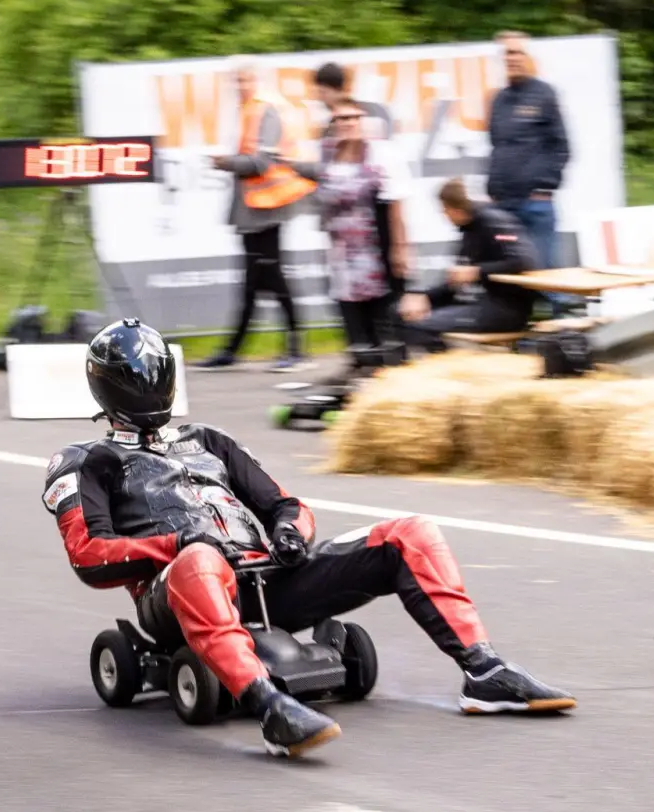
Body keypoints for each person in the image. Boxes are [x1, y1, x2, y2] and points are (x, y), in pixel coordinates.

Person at [43, 319, 575, 757]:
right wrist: (179, 546)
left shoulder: (208, 441)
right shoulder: (85, 461)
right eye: (139, 378)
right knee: (203, 558)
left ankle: (484, 672)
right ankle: (270, 707)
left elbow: (286, 505)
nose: (150, 386)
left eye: (155, 375)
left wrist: (291, 535)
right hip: (176, 590)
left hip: (269, 581)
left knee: (411, 532)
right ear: (111, 384)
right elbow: (89, 556)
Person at [199, 57, 315, 374]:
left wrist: (225, 163)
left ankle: (288, 348)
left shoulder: (265, 108)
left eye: (245, 80)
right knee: (255, 282)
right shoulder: (252, 108)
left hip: (267, 207)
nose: (240, 86)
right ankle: (234, 350)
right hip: (253, 208)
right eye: (236, 81)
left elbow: (261, 163)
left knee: (271, 278)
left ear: (257, 80)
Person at [285, 96, 412, 373]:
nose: (350, 123)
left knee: (385, 323)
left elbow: (396, 204)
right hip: (342, 256)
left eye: (355, 117)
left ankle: (391, 373)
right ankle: (362, 370)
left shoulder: (380, 154)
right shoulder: (327, 156)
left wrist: (401, 248)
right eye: (343, 118)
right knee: (354, 326)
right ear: (333, 124)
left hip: (376, 254)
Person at [398, 177, 544, 353]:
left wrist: (477, 272)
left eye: (444, 209)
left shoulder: (494, 221)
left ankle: (447, 370)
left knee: (420, 326)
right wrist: (424, 296)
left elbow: (524, 261)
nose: (444, 215)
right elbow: (455, 281)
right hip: (482, 301)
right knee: (401, 313)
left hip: (506, 309)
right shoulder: (469, 229)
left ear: (455, 209)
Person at [486, 30, 571, 317]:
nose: (512, 58)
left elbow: (561, 147)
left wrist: (543, 186)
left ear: (529, 57)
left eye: (517, 52)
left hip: (535, 204)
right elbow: (498, 147)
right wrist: (493, 191)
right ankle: (521, 336)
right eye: (507, 53)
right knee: (512, 276)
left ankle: (566, 335)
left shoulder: (544, 94)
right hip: (504, 205)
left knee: (544, 273)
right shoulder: (499, 100)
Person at [313, 61, 393, 141]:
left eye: (323, 92)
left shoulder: (376, 113)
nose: (320, 98)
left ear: (340, 90)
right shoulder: (329, 128)